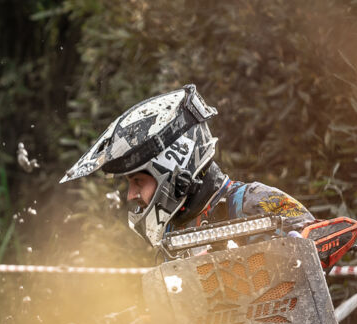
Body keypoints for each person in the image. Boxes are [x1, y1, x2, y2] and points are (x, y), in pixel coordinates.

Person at [60, 84, 314, 253]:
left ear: (173, 171)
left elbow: (321, 239)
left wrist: (294, 245)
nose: (131, 195)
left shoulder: (249, 201)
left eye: (138, 181)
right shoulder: (175, 235)